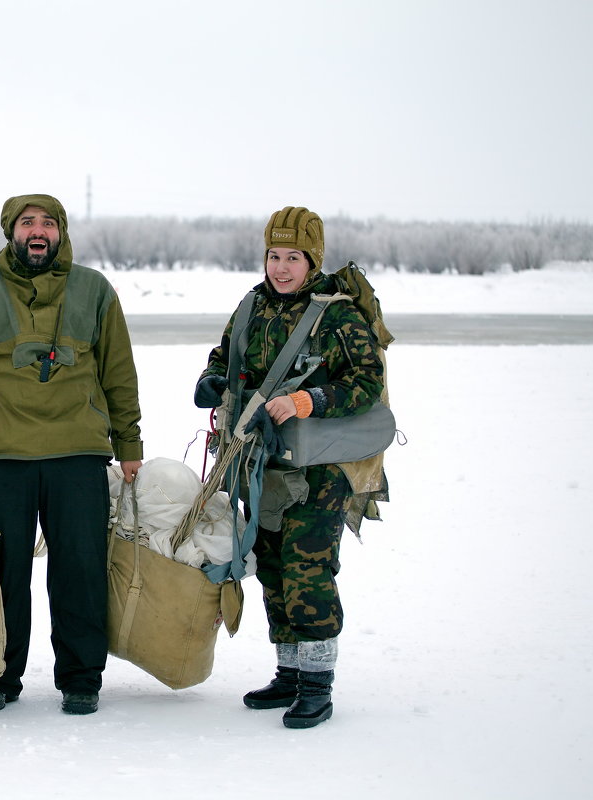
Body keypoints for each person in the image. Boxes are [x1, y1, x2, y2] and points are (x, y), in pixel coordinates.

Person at [0, 193, 143, 716]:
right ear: (11, 232)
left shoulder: (94, 290)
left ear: (62, 232)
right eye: (27, 223)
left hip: (78, 451)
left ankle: (80, 676)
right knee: (1, 572)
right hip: (0, 454)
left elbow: (119, 372)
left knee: (81, 568)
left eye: (48, 222)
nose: (38, 231)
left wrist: (129, 443)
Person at [193, 206, 385, 729]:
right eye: (274, 256)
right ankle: (290, 672)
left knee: (307, 567)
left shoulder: (337, 314)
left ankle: (317, 686)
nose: (281, 267)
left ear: (312, 259)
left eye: (293, 257)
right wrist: (213, 379)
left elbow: (366, 382)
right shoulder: (252, 305)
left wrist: (309, 400)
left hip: (321, 468)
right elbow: (224, 354)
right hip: (263, 461)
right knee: (272, 565)